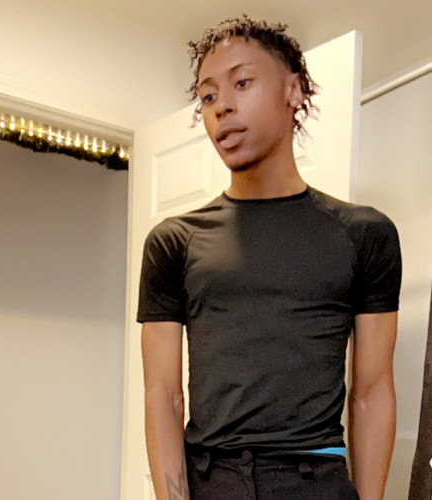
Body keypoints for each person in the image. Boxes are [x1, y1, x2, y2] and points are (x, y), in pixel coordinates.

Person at [137, 15, 401, 500]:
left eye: (242, 83)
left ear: (293, 91)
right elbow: (163, 396)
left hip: (315, 480)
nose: (222, 106)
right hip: (210, 479)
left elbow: (372, 391)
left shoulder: (364, 235)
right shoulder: (174, 242)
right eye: (208, 96)